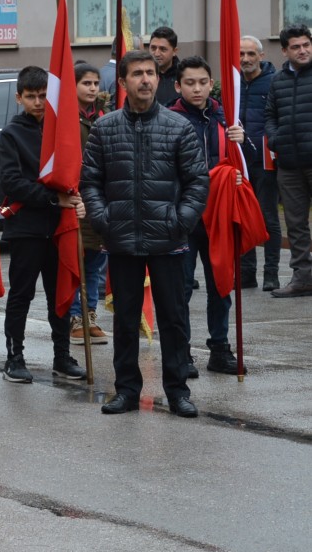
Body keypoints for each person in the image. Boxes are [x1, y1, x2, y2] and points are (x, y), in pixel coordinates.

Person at [81, 50, 208, 417]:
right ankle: (126, 391)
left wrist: (179, 221)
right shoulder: (105, 128)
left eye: (150, 73)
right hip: (121, 241)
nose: (145, 80)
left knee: (173, 319)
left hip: (168, 239)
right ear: (123, 82)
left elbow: (197, 183)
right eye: (137, 73)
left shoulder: (178, 127)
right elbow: (90, 182)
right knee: (124, 320)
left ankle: (178, 390)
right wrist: (105, 219)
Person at [0, 67, 88, 384]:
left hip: (58, 227)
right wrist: (52, 199)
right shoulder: (10, 135)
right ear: (19, 97)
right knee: (21, 295)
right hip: (25, 228)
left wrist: (77, 198)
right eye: (31, 96)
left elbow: (76, 173)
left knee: (58, 294)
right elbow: (11, 182)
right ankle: (14, 357)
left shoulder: (61, 132)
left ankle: (62, 356)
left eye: (43, 96)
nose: (37, 102)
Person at [169, 56, 246, 376]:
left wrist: (243, 147)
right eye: (190, 83)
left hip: (219, 215)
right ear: (178, 86)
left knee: (221, 285)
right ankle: (181, 351)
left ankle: (219, 348)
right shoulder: (169, 120)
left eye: (203, 82)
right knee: (181, 288)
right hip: (184, 216)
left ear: (211, 82)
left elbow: (245, 162)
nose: (197, 89)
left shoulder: (226, 119)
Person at [266, 25, 312, 298]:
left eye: (306, 44)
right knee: (295, 225)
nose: (303, 50)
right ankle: (303, 278)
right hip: (289, 164)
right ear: (284, 50)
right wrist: (275, 139)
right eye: (296, 46)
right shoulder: (278, 79)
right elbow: (270, 115)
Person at [67, 62, 109, 345]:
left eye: (96, 83)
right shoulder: (67, 120)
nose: (93, 88)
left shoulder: (103, 117)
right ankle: (74, 317)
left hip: (100, 201)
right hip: (76, 200)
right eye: (86, 83)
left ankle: (90, 314)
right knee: (76, 264)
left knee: (95, 263)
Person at [237, 36, 282, 291]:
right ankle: (247, 273)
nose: (246, 59)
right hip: (240, 160)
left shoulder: (273, 82)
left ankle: (271, 273)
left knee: (268, 219)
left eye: (251, 54)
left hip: (265, 161)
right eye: (241, 54)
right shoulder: (233, 82)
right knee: (243, 217)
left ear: (261, 57)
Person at [148, 26, 181, 109]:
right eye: (153, 48)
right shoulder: (143, 76)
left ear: (174, 51)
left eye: (163, 49)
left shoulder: (184, 76)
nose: (156, 53)